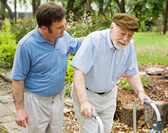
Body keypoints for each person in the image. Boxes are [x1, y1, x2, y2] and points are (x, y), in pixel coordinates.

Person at [11, 2, 85, 133]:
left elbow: (78, 44)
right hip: (35, 103)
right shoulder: (26, 45)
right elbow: (17, 79)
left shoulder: (64, 37)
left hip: (57, 100)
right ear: (45, 28)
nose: (65, 30)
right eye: (60, 27)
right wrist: (20, 109)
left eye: (65, 24)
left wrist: (101, 37)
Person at [70, 13, 151, 133]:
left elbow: (131, 73)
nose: (125, 39)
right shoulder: (94, 40)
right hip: (88, 94)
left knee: (105, 130)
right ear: (112, 27)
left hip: (109, 96)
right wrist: (84, 102)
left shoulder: (129, 45)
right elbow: (78, 74)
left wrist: (140, 92)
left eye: (130, 35)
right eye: (122, 33)